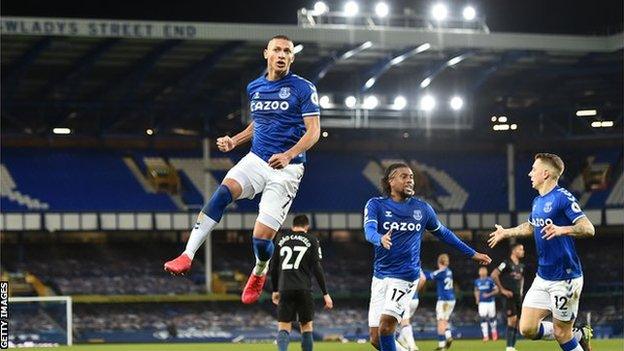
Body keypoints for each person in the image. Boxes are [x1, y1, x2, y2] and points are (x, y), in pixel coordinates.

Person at [164, 35, 321, 304]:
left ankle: (259, 270)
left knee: (261, 241)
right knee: (221, 194)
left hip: (287, 169)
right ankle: (187, 255)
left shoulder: (303, 88)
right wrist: (234, 140)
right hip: (256, 160)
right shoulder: (255, 87)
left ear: (292, 58)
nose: (281, 55)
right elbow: (258, 124)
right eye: (277, 50)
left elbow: (314, 131)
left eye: (287, 51)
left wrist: (288, 154)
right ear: (266, 54)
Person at [364, 162, 491, 351]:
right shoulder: (376, 205)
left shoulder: (422, 209)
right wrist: (379, 238)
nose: (410, 180)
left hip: (405, 276)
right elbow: (369, 231)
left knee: (386, 328)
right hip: (380, 276)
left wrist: (471, 253)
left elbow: (445, 234)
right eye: (404, 176)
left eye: (411, 177)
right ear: (390, 181)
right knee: (375, 339)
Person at [488, 153, 595, 351]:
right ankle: (578, 332)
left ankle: (573, 334)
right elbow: (530, 227)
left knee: (563, 334)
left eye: (534, 169)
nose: (530, 173)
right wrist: (506, 232)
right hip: (543, 276)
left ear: (545, 174)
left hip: (566, 279)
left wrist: (563, 229)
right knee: (526, 328)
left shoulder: (563, 198)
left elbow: (588, 228)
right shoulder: (538, 201)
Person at [270, 214, 333, 351]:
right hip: (304, 288)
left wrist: (275, 290)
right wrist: (325, 293)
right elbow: (317, 267)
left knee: (284, 326)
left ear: (293, 226)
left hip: (285, 288)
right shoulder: (312, 240)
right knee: (306, 326)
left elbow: (273, 267)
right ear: (307, 226)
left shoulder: (281, 240)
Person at [491, 243, 525, 351]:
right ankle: (509, 347)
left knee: (517, 322)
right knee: (512, 320)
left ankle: (512, 347)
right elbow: (494, 274)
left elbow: (521, 279)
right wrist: (502, 290)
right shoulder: (506, 263)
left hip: (517, 296)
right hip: (508, 296)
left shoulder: (521, 265)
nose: (523, 251)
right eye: (520, 249)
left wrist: (521, 291)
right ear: (514, 251)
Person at [424, 254, 456, 350]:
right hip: (451, 300)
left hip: (444, 300)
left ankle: (442, 346)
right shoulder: (449, 271)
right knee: (445, 320)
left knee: (440, 322)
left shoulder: (441, 272)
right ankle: (448, 335)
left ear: (439, 262)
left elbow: (429, 276)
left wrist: (419, 270)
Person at [396, 271, 426, 351]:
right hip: (415, 300)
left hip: (404, 298)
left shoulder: (400, 264)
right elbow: (423, 279)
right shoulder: (415, 262)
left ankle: (412, 346)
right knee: (404, 323)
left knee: (404, 323)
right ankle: (401, 339)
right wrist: (415, 290)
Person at [474, 266, 499, 342]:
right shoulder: (477, 281)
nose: (481, 272)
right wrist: (477, 298)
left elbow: (497, 290)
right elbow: (476, 290)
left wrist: (489, 294)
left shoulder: (490, 280)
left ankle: (494, 333)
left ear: (486, 272)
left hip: (490, 302)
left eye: (483, 271)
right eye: (480, 271)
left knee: (492, 318)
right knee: (482, 318)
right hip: (482, 303)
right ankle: (485, 336)